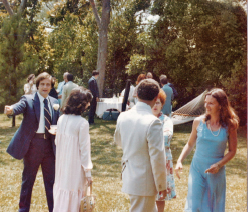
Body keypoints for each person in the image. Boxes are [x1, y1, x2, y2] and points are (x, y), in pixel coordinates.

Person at [175, 88, 239, 212]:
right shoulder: (198, 122)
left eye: (211, 103)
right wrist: (179, 161)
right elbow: (189, 144)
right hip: (197, 169)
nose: (206, 106)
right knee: (194, 206)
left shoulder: (230, 125)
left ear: (221, 105)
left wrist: (219, 165)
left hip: (216, 171)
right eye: (205, 102)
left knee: (212, 206)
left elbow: (232, 151)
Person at [5, 72, 60, 212]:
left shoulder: (54, 102)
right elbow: (19, 106)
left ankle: (54, 209)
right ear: (37, 86)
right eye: (42, 84)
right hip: (33, 146)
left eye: (48, 84)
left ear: (51, 86)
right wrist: (11, 110)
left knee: (52, 182)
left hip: (49, 146)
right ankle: (23, 209)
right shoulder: (28, 99)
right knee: (28, 180)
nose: (45, 87)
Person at [114, 79, 167, 212]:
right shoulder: (153, 122)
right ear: (156, 98)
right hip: (145, 181)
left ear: (136, 94)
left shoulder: (123, 116)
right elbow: (157, 157)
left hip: (130, 175)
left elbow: (119, 142)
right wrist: (162, 185)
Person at [53, 87, 93, 212]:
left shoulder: (61, 119)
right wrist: (88, 172)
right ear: (81, 104)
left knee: (63, 190)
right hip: (74, 167)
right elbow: (84, 150)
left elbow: (57, 142)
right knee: (74, 191)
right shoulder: (82, 123)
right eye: (87, 102)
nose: (89, 104)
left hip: (61, 164)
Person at [152, 89, 176, 212]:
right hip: (146, 161)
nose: (155, 105)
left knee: (160, 198)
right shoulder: (143, 119)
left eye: (158, 103)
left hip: (162, 160)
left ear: (162, 104)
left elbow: (166, 138)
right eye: (153, 102)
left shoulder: (166, 120)